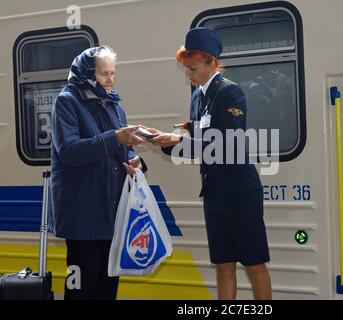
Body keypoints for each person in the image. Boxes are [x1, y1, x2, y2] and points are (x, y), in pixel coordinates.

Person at [145, 28, 272, 300]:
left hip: (240, 192)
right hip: (214, 193)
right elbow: (202, 144)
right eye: (185, 68)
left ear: (211, 62)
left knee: (253, 263)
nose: (188, 74)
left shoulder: (230, 93)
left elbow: (227, 145)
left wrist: (178, 141)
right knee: (223, 265)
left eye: (192, 68)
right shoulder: (198, 97)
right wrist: (166, 142)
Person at [49, 46, 146, 300]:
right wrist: (114, 138)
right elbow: (69, 151)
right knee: (81, 290)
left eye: (112, 73)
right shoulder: (67, 101)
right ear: (87, 74)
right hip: (82, 216)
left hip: (109, 214)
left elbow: (123, 147)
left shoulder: (114, 103)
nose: (110, 79)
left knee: (107, 288)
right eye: (104, 74)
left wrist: (135, 161)